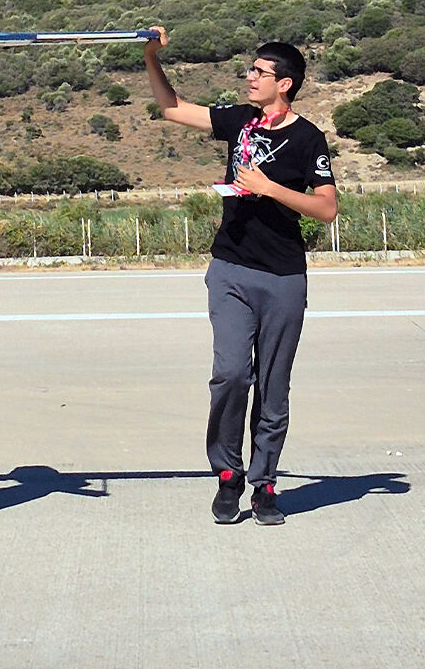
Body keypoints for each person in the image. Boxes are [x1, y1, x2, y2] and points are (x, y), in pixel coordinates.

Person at [143, 28, 337, 525]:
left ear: (286, 84)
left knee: (273, 386)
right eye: (250, 70)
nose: (249, 77)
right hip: (230, 267)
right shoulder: (240, 121)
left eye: (260, 72)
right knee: (231, 375)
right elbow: (171, 108)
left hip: (283, 275)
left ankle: (265, 484)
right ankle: (227, 475)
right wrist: (150, 57)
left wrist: (270, 188)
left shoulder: (307, 138)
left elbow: (326, 209)